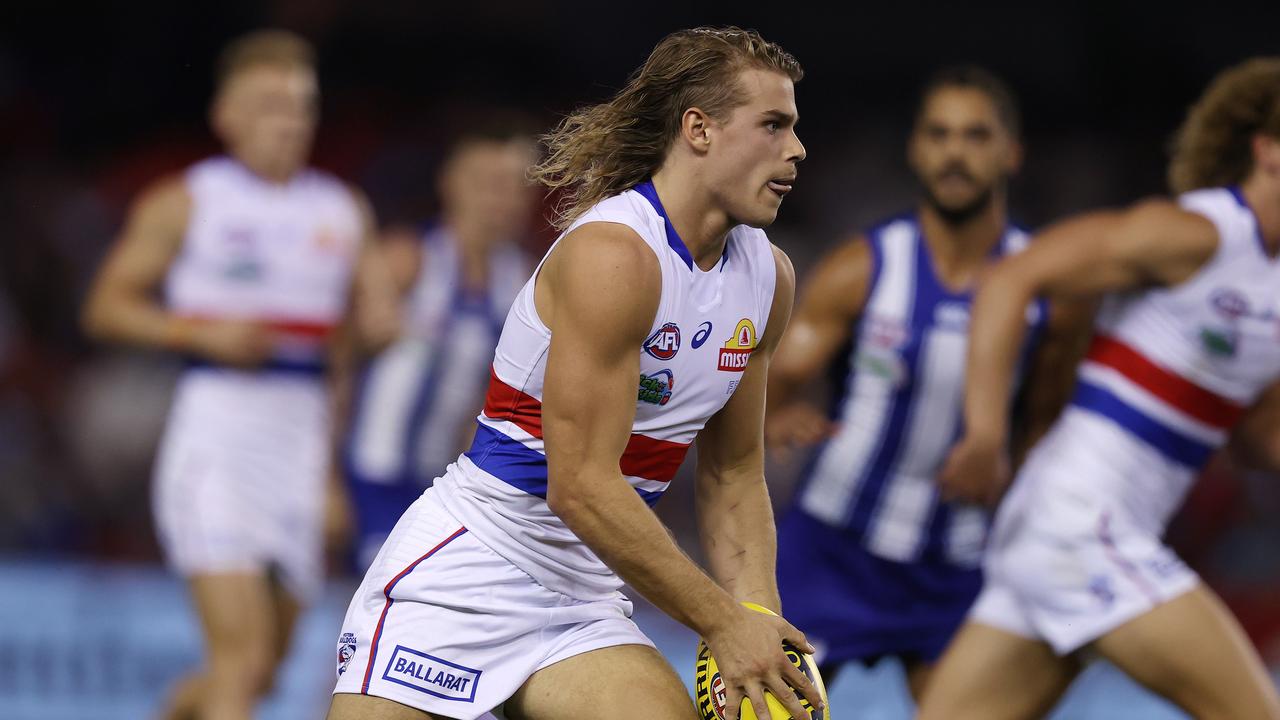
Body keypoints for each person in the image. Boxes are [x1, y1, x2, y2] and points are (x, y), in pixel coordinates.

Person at [329, 26, 825, 720]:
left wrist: (758, 628)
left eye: (794, 127)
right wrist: (720, 621)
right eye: (773, 125)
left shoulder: (768, 278)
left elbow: (733, 474)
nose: (796, 149)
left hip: (584, 595)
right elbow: (582, 486)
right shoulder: (616, 255)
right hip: (468, 567)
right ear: (699, 130)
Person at [917, 57, 1280, 720]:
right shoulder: (1199, 233)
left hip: (1060, 536)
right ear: (1267, 151)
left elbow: (1261, 440)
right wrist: (987, 433)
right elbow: (1012, 279)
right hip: (1084, 526)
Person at [81, 30, 395, 720]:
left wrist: (379, 328)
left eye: (300, 107)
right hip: (218, 434)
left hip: (300, 438)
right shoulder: (188, 200)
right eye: (268, 105)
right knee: (241, 660)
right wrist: (197, 332)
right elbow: (105, 306)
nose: (287, 121)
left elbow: (359, 334)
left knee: (260, 674)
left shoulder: (343, 211)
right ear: (227, 115)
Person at [765, 66, 1085, 702]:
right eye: (939, 135)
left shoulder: (1051, 290)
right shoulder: (865, 266)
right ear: (916, 149)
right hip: (833, 553)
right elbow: (771, 372)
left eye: (975, 135)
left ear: (1010, 152)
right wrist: (772, 416)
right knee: (758, 712)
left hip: (957, 569)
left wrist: (1014, 485)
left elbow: (1047, 416)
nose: (955, 153)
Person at [341, 124, 537, 568]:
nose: (503, 199)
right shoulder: (409, 259)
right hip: (376, 476)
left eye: (516, 186)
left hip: (450, 487)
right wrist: (324, 480)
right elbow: (337, 362)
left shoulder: (524, 280)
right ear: (451, 184)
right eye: (490, 183)